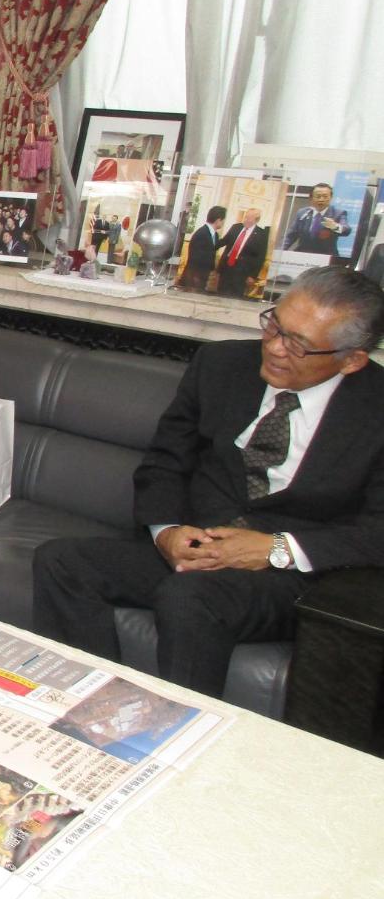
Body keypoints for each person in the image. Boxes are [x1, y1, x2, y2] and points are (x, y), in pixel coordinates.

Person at [33, 266, 384, 697]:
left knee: (190, 597)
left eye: (299, 345)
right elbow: (165, 461)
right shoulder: (221, 364)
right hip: (199, 544)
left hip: (292, 576)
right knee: (62, 562)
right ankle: (90, 702)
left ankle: (177, 733)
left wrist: (275, 549)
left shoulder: (376, 409)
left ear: (351, 359)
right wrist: (166, 532)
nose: (274, 348)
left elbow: (376, 532)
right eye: (275, 325)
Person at [282, 182, 351, 255]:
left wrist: (335, 226)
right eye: (318, 196)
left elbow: (347, 230)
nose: (321, 199)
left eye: (325, 196)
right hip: (302, 255)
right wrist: (278, 252)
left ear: (331, 197)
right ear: (311, 198)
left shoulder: (338, 213)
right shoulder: (302, 213)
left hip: (326, 257)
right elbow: (290, 236)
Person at [216, 207, 268, 297]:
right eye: (246, 217)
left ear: (256, 220)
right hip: (227, 267)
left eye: (249, 218)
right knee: (220, 293)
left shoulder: (261, 234)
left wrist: (253, 275)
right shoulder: (236, 227)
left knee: (235, 296)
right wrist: (211, 241)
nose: (246, 220)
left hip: (242, 271)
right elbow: (224, 241)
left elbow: (261, 257)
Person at [178, 205, 226, 291]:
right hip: (194, 276)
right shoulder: (202, 233)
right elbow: (195, 257)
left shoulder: (215, 234)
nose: (223, 223)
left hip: (203, 275)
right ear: (218, 220)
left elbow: (213, 247)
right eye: (223, 221)